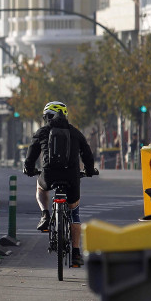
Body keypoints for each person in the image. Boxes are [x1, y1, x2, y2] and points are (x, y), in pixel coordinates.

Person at [23, 101, 98, 267]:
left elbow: (31, 153)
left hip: (49, 175)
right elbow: (87, 154)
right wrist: (90, 170)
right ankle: (76, 252)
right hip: (72, 176)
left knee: (40, 187)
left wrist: (29, 169)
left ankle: (45, 215)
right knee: (74, 213)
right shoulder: (75, 132)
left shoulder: (42, 131)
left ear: (48, 116)